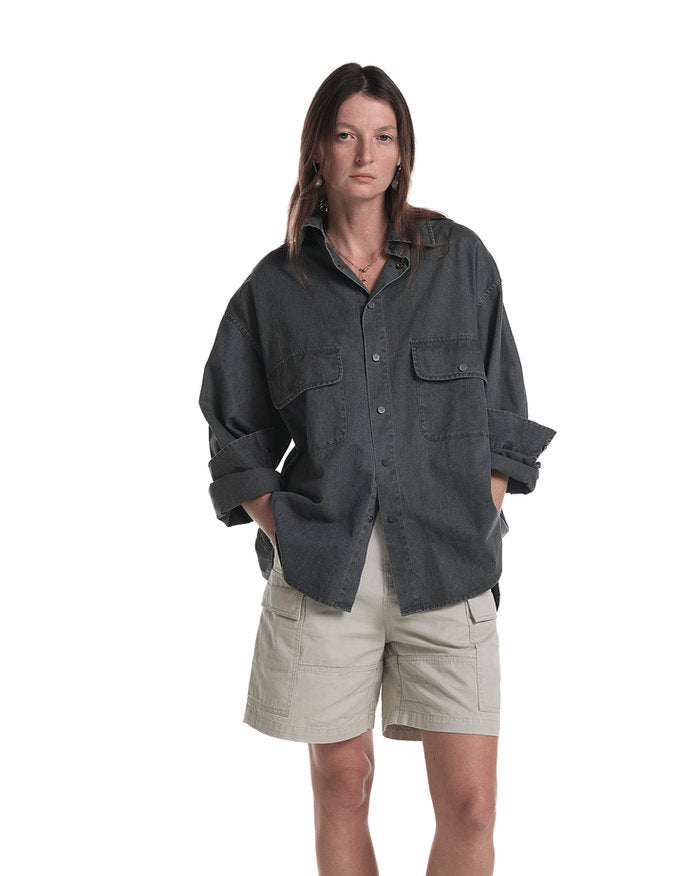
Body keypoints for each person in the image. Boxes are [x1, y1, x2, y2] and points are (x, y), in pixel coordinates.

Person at [199, 62, 556, 876]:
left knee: (471, 805)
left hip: (449, 560)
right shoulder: (273, 289)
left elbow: (504, 410)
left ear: (403, 153)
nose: (365, 154)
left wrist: (483, 508)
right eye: (346, 135)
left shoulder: (460, 262)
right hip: (329, 572)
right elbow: (233, 429)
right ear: (318, 152)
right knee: (343, 787)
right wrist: (286, 527)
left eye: (383, 136)